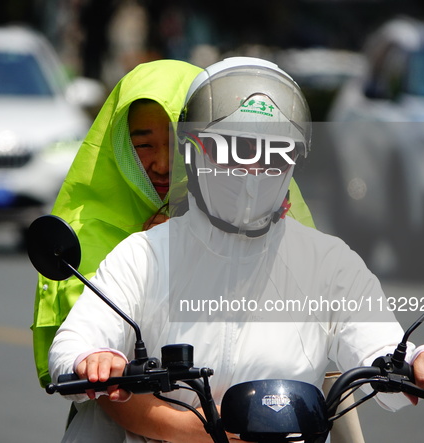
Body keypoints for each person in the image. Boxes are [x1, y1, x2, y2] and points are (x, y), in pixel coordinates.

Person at [48, 57, 424, 443]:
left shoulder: (329, 261)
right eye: (234, 149)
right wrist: (95, 357)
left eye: (273, 153)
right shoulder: (143, 255)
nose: (251, 171)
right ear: (194, 153)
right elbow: (74, 343)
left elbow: (382, 345)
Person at [32, 59, 315, 388]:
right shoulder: (94, 232)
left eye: (175, 145)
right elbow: (82, 343)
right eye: (144, 146)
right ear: (119, 145)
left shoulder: (282, 223)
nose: (163, 165)